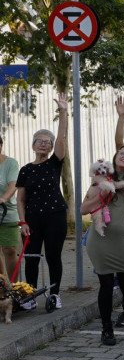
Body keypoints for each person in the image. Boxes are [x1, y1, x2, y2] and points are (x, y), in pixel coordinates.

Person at [82, 92, 124, 346]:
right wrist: (101, 195)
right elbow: (82, 209)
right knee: (105, 285)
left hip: (123, 238)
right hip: (99, 240)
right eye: (121, 152)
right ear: (114, 157)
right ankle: (107, 329)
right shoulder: (101, 179)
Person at [16, 93, 69, 311]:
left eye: (47, 142)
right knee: (31, 257)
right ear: (33, 145)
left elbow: (62, 139)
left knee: (53, 256)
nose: (44, 144)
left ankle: (55, 294)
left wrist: (63, 112)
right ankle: (30, 294)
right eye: (40, 141)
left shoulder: (54, 164)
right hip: (32, 218)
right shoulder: (25, 169)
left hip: (55, 215)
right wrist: (22, 222)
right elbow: (20, 199)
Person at [0, 133, 23, 279]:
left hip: (7, 213)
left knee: (9, 250)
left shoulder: (10, 164)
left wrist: (3, 198)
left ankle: (16, 289)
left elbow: (13, 185)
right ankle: (2, 288)